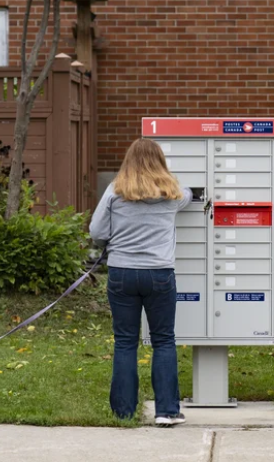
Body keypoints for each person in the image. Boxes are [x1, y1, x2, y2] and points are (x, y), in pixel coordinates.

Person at [89, 138, 192, 426]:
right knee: (163, 340)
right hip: (159, 274)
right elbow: (190, 194)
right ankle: (167, 411)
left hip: (122, 273)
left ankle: (124, 413)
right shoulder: (173, 193)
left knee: (125, 341)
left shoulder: (115, 190)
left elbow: (97, 231)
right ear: (160, 161)